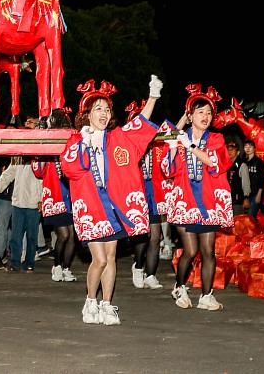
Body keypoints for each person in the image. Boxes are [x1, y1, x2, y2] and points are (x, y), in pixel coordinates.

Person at [60, 75, 163, 326]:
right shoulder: (76, 140)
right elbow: (69, 169)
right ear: (87, 114)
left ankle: (106, 304)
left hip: (114, 205)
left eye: (107, 109)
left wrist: (153, 97)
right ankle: (90, 300)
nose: (104, 114)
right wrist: (83, 144)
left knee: (112, 257)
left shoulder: (118, 137)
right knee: (100, 259)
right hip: (92, 206)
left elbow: (140, 125)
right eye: (98, 109)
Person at [163, 83, 232, 311]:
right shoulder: (180, 137)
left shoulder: (216, 139)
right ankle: (180, 286)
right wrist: (177, 139)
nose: (206, 116)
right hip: (185, 202)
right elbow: (167, 167)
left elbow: (214, 162)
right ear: (190, 115)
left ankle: (206, 295)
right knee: (190, 251)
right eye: (200, 112)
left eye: (209, 112)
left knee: (208, 251)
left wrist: (189, 144)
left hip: (209, 202)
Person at [124, 100, 168, 291]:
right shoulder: (130, 145)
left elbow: (174, 134)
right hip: (137, 192)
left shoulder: (157, 144)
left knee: (156, 237)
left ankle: (151, 274)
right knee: (143, 237)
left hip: (155, 193)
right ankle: (139, 267)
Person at [0, 156, 43, 273]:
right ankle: (15, 263)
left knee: (31, 237)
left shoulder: (40, 159)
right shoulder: (17, 158)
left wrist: (42, 199)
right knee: (15, 237)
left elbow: (44, 180)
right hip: (17, 204)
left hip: (34, 205)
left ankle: (29, 264)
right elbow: (7, 175)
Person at [32, 155, 77, 283]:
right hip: (54, 196)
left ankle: (66, 268)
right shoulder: (48, 153)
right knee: (64, 235)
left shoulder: (70, 151)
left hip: (71, 196)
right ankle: (57, 266)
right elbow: (38, 171)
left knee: (72, 236)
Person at [242, 140, 264, 217]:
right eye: (246, 146)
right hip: (245, 194)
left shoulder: (259, 162)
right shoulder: (243, 161)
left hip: (255, 193)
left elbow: (262, 178)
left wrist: (259, 194)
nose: (248, 148)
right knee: (244, 217)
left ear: (254, 149)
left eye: (250, 146)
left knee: (251, 216)